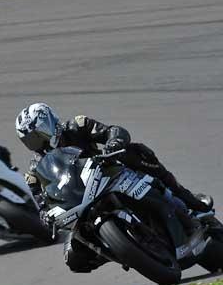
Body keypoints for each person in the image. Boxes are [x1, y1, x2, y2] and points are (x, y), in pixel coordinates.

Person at [15, 102, 213, 272]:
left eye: (38, 134)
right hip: (79, 202)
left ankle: (187, 199)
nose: (37, 143)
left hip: (108, 174)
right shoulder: (36, 170)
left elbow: (112, 131)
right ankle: (123, 250)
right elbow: (40, 200)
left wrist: (114, 141)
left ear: (50, 124)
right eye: (30, 141)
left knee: (137, 153)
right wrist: (44, 213)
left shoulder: (77, 126)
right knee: (74, 259)